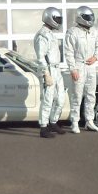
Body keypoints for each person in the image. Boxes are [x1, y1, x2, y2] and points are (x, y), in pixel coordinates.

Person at [64, 6, 98, 134]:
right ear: (80, 17)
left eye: (91, 17)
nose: (90, 20)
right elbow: (68, 52)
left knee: (91, 95)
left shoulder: (95, 31)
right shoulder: (72, 32)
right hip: (78, 66)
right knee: (77, 95)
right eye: (87, 17)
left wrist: (95, 57)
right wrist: (73, 69)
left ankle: (89, 121)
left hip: (91, 66)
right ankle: (74, 122)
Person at [34, 7, 67, 138]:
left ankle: (53, 122)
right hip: (48, 69)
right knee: (48, 100)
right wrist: (46, 74)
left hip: (56, 69)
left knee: (60, 98)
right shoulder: (42, 35)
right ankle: (43, 127)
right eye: (57, 19)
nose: (58, 22)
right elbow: (40, 57)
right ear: (50, 18)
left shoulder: (50, 33)